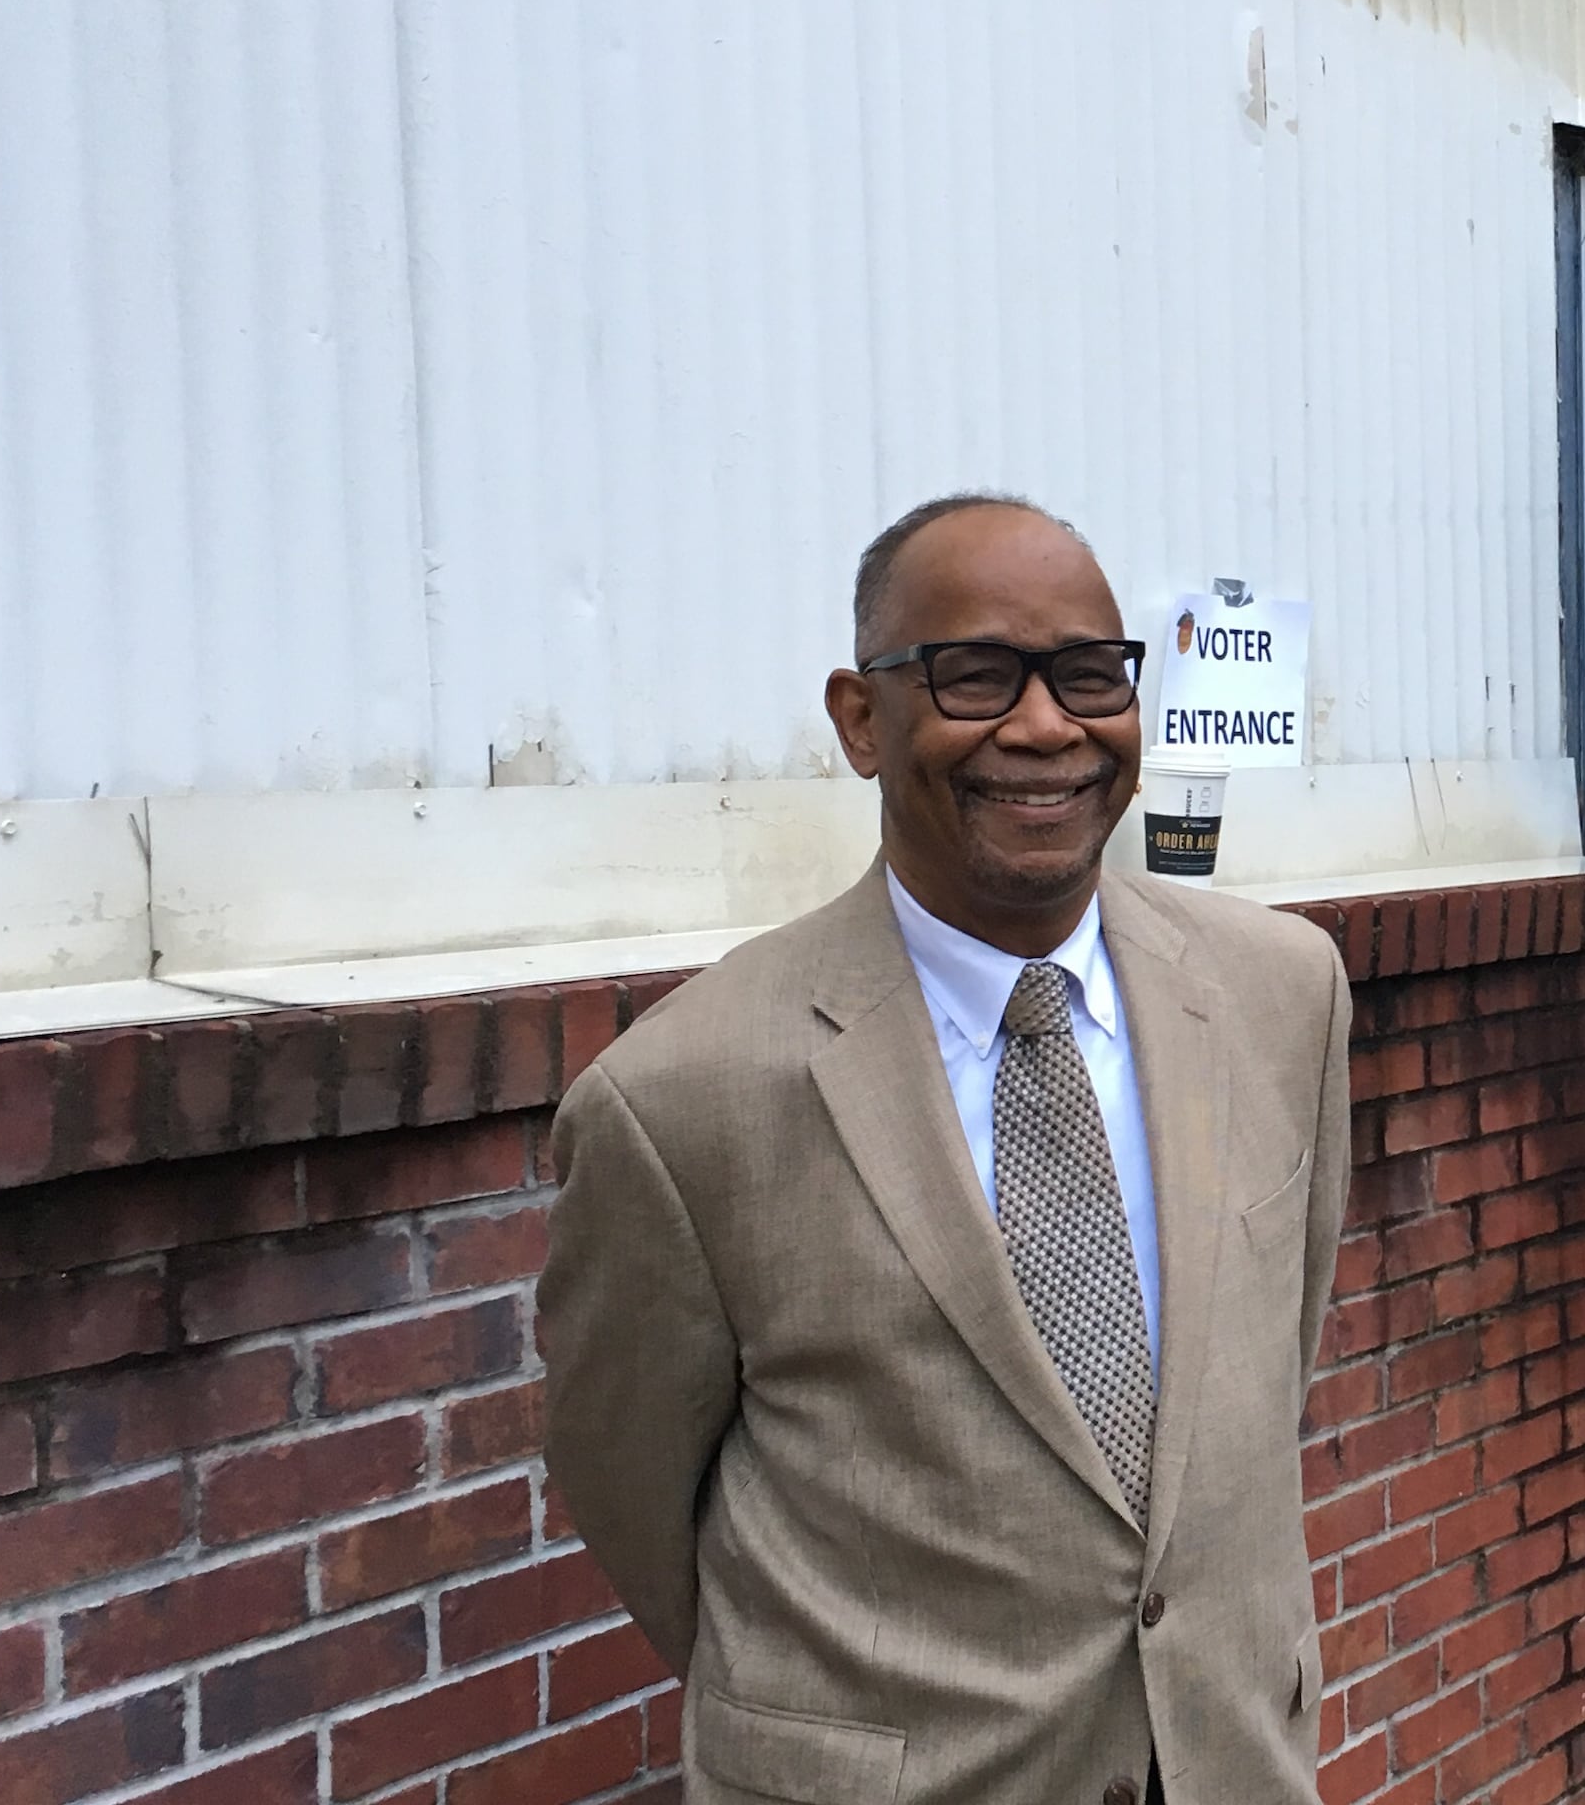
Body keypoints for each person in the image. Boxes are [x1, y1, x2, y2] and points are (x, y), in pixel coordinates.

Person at [540, 492, 1352, 1805]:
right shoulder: (682, 1100)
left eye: (1090, 676)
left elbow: (1256, 1377)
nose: (1045, 727)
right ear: (862, 720)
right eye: (976, 676)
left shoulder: (1281, 994)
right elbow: (629, 1486)